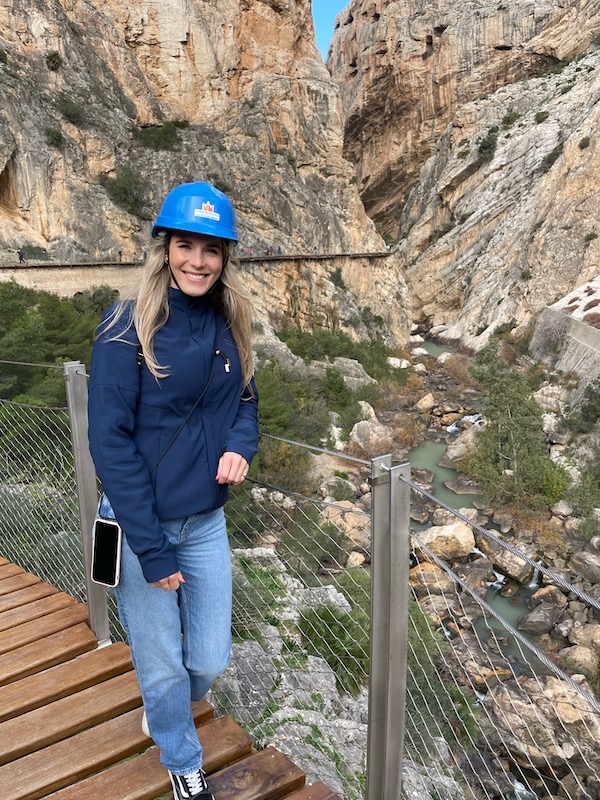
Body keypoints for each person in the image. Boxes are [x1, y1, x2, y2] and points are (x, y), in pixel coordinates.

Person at [87, 181, 258, 800]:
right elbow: (110, 445)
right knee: (160, 663)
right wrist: (152, 550)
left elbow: (246, 400)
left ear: (224, 258)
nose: (199, 261)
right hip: (141, 528)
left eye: (211, 250)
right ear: (164, 249)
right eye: (186, 245)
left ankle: (166, 711)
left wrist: (241, 444)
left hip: (205, 523)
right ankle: (182, 760)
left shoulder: (227, 320)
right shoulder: (124, 326)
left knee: (207, 660)